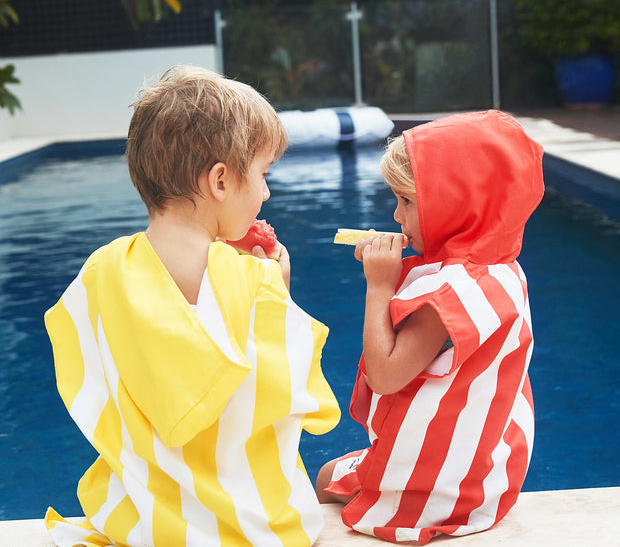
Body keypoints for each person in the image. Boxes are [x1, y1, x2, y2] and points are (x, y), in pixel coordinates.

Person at [44, 65, 340, 547]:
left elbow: (89, 378)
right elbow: (294, 397)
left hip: (150, 524)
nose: (266, 192)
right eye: (263, 174)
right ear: (220, 181)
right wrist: (278, 290)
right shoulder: (253, 279)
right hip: (252, 526)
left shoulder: (100, 271)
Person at [316, 110, 544, 544]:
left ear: (456, 202)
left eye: (406, 202)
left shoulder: (445, 296)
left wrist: (379, 285)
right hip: (489, 479)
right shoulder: (501, 270)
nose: (397, 217)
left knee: (327, 474)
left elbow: (385, 377)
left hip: (431, 493)